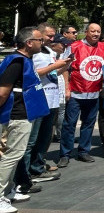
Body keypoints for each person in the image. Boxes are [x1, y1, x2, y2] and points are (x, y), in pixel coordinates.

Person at [0, 27, 49, 211]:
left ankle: (9, 189)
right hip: (17, 115)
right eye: (39, 40)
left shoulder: (24, 60)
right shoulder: (17, 62)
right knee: (12, 155)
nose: (41, 43)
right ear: (29, 43)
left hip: (24, 114)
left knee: (15, 154)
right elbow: (3, 92)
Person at [14, 24, 66, 193]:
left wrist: (64, 65)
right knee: (31, 140)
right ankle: (25, 174)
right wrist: (55, 66)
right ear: (38, 35)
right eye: (49, 36)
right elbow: (34, 73)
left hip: (51, 100)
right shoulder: (30, 55)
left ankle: (38, 166)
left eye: (53, 36)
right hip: (36, 101)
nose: (52, 39)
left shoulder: (50, 52)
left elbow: (53, 74)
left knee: (45, 138)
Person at [59, 23, 104, 167]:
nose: (95, 34)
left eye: (98, 31)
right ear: (86, 32)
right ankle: (65, 154)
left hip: (94, 93)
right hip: (76, 92)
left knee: (88, 124)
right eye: (92, 31)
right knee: (69, 124)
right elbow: (64, 68)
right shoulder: (74, 46)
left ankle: (83, 151)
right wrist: (67, 89)